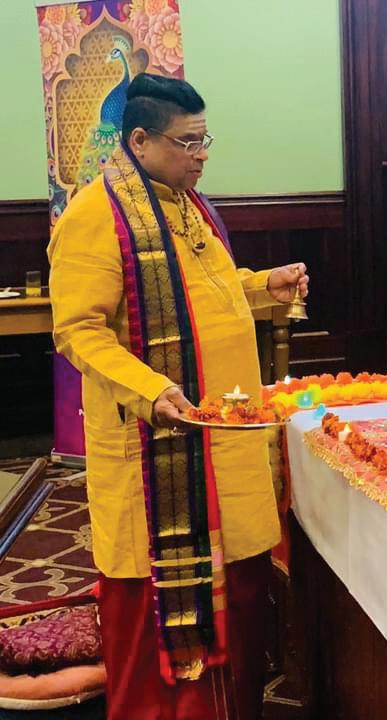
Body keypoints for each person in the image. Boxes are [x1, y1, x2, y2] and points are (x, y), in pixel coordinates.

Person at [48, 73, 309, 719]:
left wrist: (262, 286)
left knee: (239, 595)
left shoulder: (189, 203)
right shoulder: (95, 215)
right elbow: (77, 330)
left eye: (204, 140)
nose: (201, 155)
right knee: (160, 619)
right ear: (139, 140)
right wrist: (153, 389)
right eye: (187, 142)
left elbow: (201, 296)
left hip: (221, 441)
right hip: (154, 451)